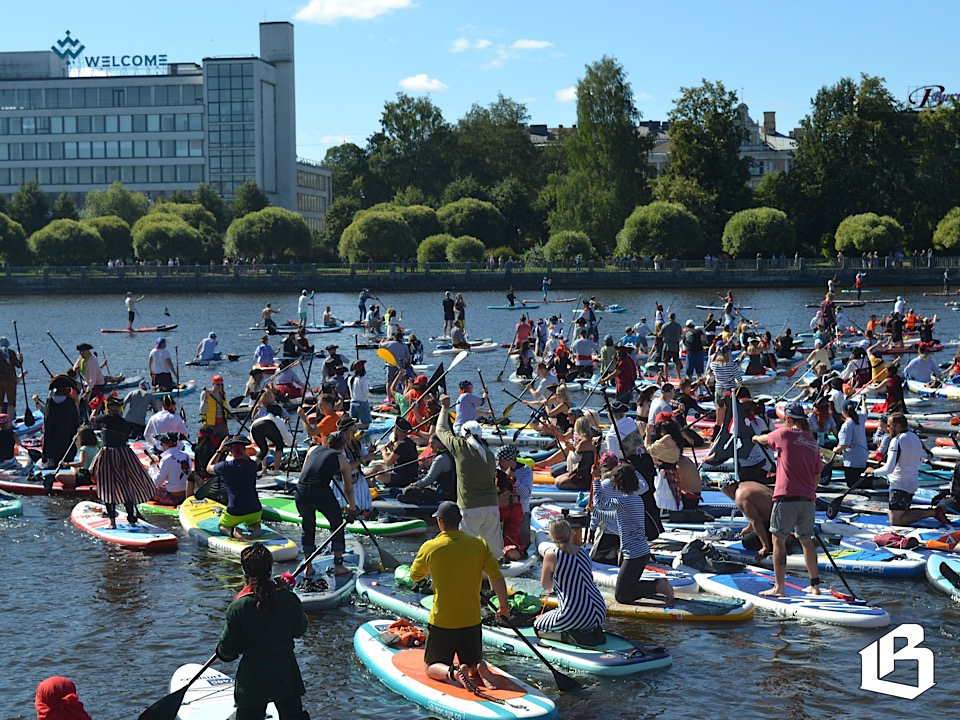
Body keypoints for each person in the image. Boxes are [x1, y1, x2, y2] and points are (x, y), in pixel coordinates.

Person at [408, 501, 513, 690]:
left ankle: (454, 673)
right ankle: (477, 666)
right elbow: (496, 576)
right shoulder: (478, 544)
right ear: (460, 520)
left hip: (443, 622)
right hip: (471, 621)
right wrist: (503, 607)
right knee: (471, 661)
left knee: (430, 667)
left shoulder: (431, 547)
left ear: (439, 521)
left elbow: (415, 576)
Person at [216, 544, 308, 720]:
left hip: (253, 678)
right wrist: (288, 594)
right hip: (285, 673)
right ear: (271, 568)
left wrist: (223, 649)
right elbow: (299, 630)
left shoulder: (238, 606)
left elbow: (226, 652)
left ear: (244, 571)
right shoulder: (288, 599)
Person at [753, 401, 823, 596]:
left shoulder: (784, 434)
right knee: (806, 541)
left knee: (778, 541)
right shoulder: (812, 441)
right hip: (807, 500)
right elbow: (817, 475)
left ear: (789, 419)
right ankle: (815, 587)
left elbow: (766, 439)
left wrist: (755, 437)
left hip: (786, 497)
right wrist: (809, 490)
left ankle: (779, 588)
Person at [592, 462, 675, 604]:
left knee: (621, 596)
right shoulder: (636, 500)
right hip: (641, 552)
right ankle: (657, 585)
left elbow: (599, 503)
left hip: (634, 555)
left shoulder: (624, 501)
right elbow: (614, 517)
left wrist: (596, 480)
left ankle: (658, 586)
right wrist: (594, 513)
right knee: (627, 588)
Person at [436, 396, 502, 557]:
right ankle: (495, 569)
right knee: (493, 553)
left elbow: (440, 430)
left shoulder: (460, 446)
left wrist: (445, 408)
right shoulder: (489, 454)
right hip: (492, 507)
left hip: (470, 508)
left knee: (465, 551)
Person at [865, 413, 949, 527]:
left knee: (896, 521)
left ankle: (933, 512)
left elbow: (889, 468)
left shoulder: (896, 440)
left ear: (898, 426)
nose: (888, 429)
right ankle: (933, 512)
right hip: (912, 483)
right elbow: (919, 462)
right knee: (902, 514)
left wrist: (873, 471)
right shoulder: (915, 437)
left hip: (899, 485)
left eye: (889, 426)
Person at [535, 517, 606, 641]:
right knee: (578, 618)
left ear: (551, 535)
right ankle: (587, 631)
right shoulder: (583, 551)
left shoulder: (552, 555)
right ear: (570, 533)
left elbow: (546, 585)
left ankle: (569, 638)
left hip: (573, 613)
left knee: (538, 626)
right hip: (599, 611)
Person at [294, 431, 355, 575]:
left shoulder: (313, 449)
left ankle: (308, 567)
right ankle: (338, 566)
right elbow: (348, 488)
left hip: (301, 491)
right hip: (320, 491)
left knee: (308, 526)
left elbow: (304, 473)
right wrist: (352, 507)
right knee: (337, 523)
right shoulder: (341, 458)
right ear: (342, 446)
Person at [89, 402, 155, 526]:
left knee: (108, 488)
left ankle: (112, 522)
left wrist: (96, 408)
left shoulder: (105, 418)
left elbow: (93, 420)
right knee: (126, 487)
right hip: (124, 454)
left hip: (108, 455)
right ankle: (131, 518)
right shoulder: (125, 423)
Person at [207, 434, 263, 539]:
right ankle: (256, 530)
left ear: (231, 452)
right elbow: (255, 456)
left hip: (235, 511)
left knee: (222, 526)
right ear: (244, 450)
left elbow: (208, 468)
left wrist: (220, 450)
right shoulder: (252, 465)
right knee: (254, 523)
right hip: (255, 509)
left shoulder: (225, 466)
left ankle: (235, 533)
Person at [719, 476, 775, 557]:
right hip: (781, 515)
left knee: (748, 542)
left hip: (776, 521)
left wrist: (765, 546)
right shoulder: (748, 484)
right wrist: (749, 528)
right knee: (752, 534)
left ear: (726, 490)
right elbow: (759, 511)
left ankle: (786, 541)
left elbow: (756, 521)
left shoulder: (740, 497)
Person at [399, 432, 456, 504]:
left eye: (433, 443)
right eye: (430, 443)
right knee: (408, 489)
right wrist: (427, 465)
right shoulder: (446, 455)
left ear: (442, 443)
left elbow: (428, 479)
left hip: (441, 494)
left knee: (408, 490)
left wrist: (415, 484)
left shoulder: (441, 458)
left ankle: (416, 499)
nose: (430, 446)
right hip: (440, 490)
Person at [496, 444, 533, 552]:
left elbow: (526, 494)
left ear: (510, 460)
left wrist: (513, 479)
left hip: (521, 515)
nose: (498, 463)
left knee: (523, 545)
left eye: (501, 460)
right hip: (503, 515)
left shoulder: (526, 471)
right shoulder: (498, 471)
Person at [40, 376, 81, 469]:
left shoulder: (50, 401)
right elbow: (75, 420)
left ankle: (52, 461)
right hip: (66, 432)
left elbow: (47, 419)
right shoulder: (70, 402)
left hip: (53, 432)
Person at [151, 431, 192, 505]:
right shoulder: (186, 455)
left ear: (164, 444)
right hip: (186, 495)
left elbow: (157, 483)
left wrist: (153, 467)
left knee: (146, 487)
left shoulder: (166, 459)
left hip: (173, 498)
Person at [251, 403, 293, 476]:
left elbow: (253, 418)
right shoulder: (278, 420)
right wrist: (291, 443)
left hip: (254, 426)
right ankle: (276, 470)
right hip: (268, 424)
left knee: (263, 449)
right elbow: (286, 435)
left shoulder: (262, 414)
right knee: (279, 445)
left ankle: (252, 470)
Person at [53, 425, 98, 491]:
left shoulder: (84, 449)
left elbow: (81, 463)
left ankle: (74, 478)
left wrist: (66, 464)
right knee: (73, 467)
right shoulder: (96, 448)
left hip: (85, 476)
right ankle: (74, 476)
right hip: (92, 474)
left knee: (58, 476)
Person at [199, 374, 231, 441]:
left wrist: (231, 415)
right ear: (213, 384)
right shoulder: (206, 393)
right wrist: (206, 398)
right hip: (210, 425)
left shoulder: (223, 394)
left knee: (225, 442)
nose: (220, 387)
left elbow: (225, 409)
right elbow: (202, 411)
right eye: (218, 384)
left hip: (222, 425)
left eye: (221, 385)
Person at [0, 337, 23, 415]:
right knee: (11, 403)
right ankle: (9, 421)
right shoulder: (11, 353)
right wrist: (20, 356)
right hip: (10, 381)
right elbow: (18, 364)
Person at [347, 359, 372, 427]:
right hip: (362, 403)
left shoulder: (350, 379)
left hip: (352, 403)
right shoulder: (362, 378)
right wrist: (369, 395)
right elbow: (365, 392)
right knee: (366, 424)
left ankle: (352, 428)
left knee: (353, 421)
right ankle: (355, 427)